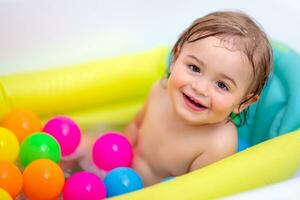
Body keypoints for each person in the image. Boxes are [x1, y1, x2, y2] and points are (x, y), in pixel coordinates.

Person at [71, 10, 273, 186]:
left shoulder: (218, 143)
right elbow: (133, 127)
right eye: (194, 68)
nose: (200, 88)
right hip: (117, 169)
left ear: (243, 103)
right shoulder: (160, 91)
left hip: (145, 191)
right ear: (175, 58)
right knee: (75, 146)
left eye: (222, 85)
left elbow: (197, 192)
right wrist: (106, 157)